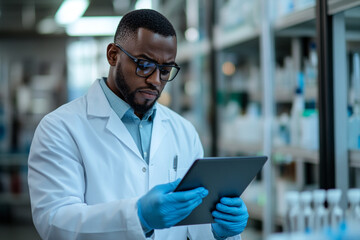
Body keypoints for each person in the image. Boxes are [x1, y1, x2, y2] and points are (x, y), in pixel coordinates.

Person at [28, 9, 249, 240]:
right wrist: (138, 217)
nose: (155, 80)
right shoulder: (59, 128)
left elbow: (192, 225)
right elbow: (55, 222)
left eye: (165, 70)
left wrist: (218, 229)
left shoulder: (183, 131)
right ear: (113, 55)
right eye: (144, 64)